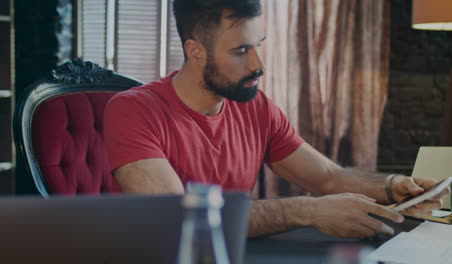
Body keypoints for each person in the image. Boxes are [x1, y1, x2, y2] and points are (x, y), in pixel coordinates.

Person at [104, 0, 444, 238]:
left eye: (259, 45)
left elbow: (327, 177)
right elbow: (179, 219)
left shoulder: (255, 106)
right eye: (241, 51)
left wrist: (392, 186)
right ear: (196, 52)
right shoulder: (133, 110)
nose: (258, 65)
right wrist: (306, 212)